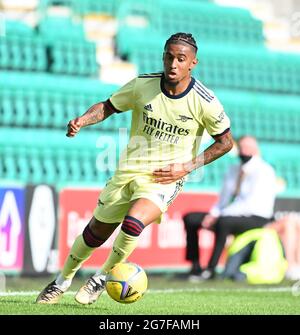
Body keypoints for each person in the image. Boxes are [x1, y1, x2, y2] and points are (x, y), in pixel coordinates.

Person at [36, 32, 233, 305]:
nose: (173, 64)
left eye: (181, 59)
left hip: (163, 179)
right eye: (169, 57)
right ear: (163, 57)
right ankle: (61, 282)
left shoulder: (205, 101)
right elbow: (108, 106)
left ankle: (101, 279)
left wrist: (187, 167)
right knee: (94, 234)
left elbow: (225, 142)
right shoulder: (144, 85)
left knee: (133, 222)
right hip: (128, 172)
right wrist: (82, 120)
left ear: (193, 63)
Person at [183, 136, 277, 280]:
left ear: (256, 149)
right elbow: (223, 199)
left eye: (248, 147)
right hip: (231, 214)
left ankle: (211, 269)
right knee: (191, 219)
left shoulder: (264, 171)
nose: (245, 151)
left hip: (257, 217)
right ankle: (195, 267)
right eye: (242, 147)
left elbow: (250, 203)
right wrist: (213, 214)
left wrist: (218, 216)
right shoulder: (233, 170)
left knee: (224, 222)